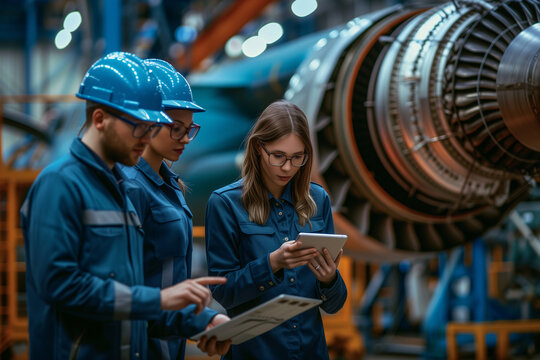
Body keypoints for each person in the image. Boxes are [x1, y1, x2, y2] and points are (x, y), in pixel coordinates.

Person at [20, 52, 226, 360]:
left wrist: (202, 320)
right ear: (100, 119)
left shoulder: (118, 189)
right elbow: (61, 285)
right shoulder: (60, 184)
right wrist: (157, 299)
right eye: (138, 126)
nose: (146, 138)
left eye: (152, 126)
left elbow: (131, 301)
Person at [205, 100, 348, 359]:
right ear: (259, 148)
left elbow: (334, 305)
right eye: (278, 156)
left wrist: (329, 280)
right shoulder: (225, 203)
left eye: (297, 158)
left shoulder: (318, 201)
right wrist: (271, 264)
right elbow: (224, 293)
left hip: (310, 351)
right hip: (254, 353)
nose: (287, 167)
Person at [121, 58, 231, 359]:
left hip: (167, 345)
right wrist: (199, 319)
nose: (185, 139)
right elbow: (128, 295)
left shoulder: (171, 186)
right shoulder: (129, 187)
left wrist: (204, 320)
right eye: (176, 129)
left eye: (190, 129)